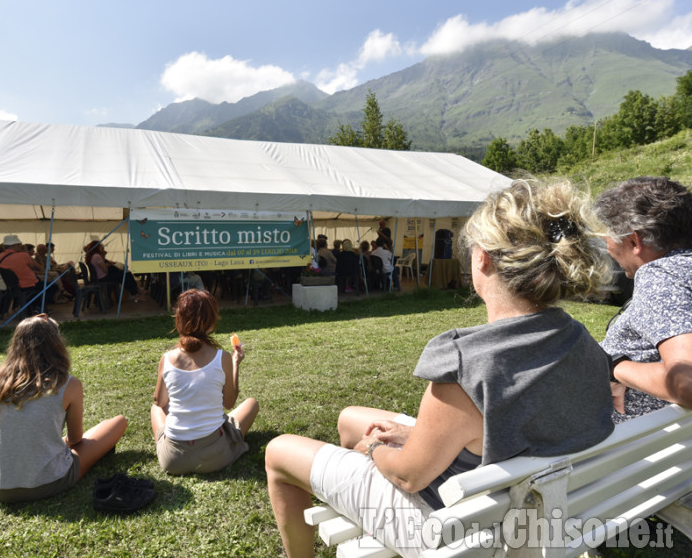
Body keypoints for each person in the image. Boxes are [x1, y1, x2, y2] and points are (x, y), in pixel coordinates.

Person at [265, 179, 615, 558]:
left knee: (279, 451)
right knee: (351, 417)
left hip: (456, 529)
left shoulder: (468, 363)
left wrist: (372, 451)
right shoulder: (580, 340)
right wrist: (410, 434)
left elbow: (407, 475)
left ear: (482, 259)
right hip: (526, 505)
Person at [0, 314, 127, 503]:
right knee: (118, 422)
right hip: (49, 482)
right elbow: (75, 440)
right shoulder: (67, 383)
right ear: (56, 343)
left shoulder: (0, 384)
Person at [595, 176, 692, 421]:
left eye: (608, 238)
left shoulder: (662, 275)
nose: (607, 248)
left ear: (634, 240)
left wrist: (615, 367)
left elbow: (687, 383)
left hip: (645, 450)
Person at [151, 289, 259, 475]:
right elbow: (229, 403)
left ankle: (170, 442)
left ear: (179, 319)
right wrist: (235, 363)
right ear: (211, 322)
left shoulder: (167, 358)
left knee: (155, 409)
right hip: (215, 456)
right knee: (252, 404)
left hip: (173, 461)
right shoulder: (222, 357)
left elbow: (159, 403)